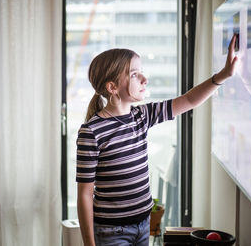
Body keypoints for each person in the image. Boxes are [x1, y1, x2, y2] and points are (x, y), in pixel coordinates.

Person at [76, 34, 238, 246]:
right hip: (111, 230)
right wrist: (89, 244)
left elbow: (189, 100)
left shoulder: (142, 116)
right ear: (112, 87)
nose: (145, 79)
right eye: (135, 75)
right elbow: (85, 195)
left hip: (143, 223)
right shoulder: (91, 132)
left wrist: (222, 76)